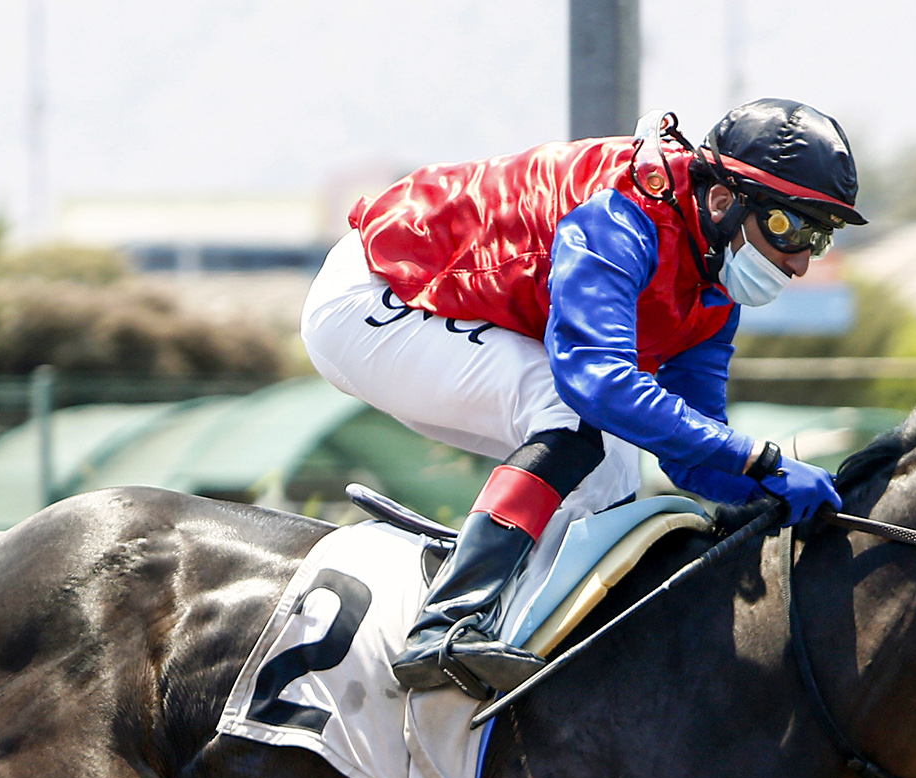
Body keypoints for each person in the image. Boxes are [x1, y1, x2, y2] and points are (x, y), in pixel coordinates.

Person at [301, 98, 865, 696]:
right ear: (724, 201)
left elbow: (691, 453)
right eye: (788, 228)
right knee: (571, 415)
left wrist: (769, 490)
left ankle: (529, 647)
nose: (800, 261)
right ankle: (446, 623)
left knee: (612, 478)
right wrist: (760, 459)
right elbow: (596, 382)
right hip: (379, 291)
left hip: (441, 310)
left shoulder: (713, 287)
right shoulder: (619, 216)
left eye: (818, 238)